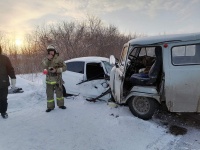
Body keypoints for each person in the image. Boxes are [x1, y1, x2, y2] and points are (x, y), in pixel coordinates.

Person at [42, 45, 67, 112]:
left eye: (52, 51)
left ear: (54, 51)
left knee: (59, 93)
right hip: (49, 80)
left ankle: (61, 105)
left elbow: (65, 67)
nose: (51, 53)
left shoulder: (59, 59)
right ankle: (50, 107)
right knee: (49, 94)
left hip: (57, 79)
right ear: (48, 52)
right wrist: (48, 60)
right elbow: (43, 67)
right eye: (49, 51)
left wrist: (56, 70)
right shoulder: (45, 59)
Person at [0, 45, 16, 119]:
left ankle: (3, 112)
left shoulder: (4, 58)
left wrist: (13, 78)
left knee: (3, 98)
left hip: (3, 82)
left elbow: (10, 69)